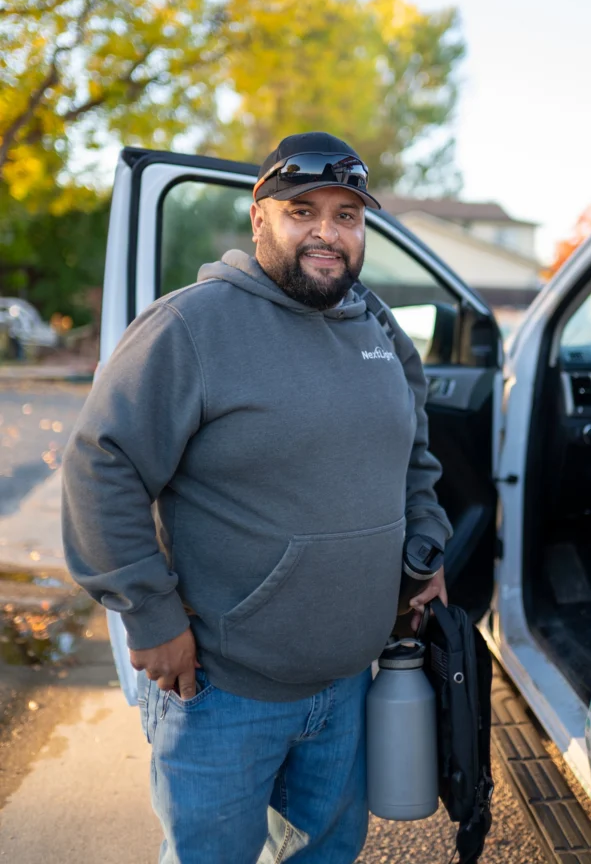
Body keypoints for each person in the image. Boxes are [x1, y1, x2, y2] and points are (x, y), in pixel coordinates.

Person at [61, 131, 451, 864]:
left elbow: (414, 455)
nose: (327, 234)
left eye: (346, 216)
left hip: (347, 686)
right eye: (303, 211)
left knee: (328, 855)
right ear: (259, 217)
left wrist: (422, 549)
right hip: (221, 692)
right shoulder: (191, 326)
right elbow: (101, 465)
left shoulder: (378, 328)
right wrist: (148, 614)